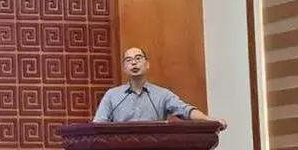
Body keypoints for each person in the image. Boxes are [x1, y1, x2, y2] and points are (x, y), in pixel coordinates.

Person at [93, 47, 226, 128]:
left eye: (138, 58)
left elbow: (185, 111)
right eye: (129, 60)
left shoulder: (162, 95)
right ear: (124, 68)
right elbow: (98, 126)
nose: (134, 63)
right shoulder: (112, 95)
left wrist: (209, 119)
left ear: (147, 64)